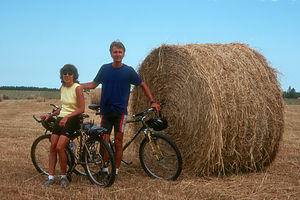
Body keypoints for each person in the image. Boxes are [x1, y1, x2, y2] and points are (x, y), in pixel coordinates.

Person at [81, 41, 161, 176]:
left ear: (123, 54)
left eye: (119, 52)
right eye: (115, 52)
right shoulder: (105, 69)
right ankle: (104, 169)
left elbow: (142, 85)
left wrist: (152, 101)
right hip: (106, 112)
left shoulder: (128, 71)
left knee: (118, 142)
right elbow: (94, 84)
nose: (117, 54)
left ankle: (116, 171)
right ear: (111, 53)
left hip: (120, 113)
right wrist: (77, 85)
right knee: (104, 141)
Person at [41, 64, 85, 187]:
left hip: (73, 119)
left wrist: (67, 117)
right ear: (62, 75)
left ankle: (64, 177)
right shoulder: (62, 87)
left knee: (60, 147)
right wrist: (51, 114)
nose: (67, 75)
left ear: (74, 75)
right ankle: (50, 177)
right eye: (65, 73)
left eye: (70, 73)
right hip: (61, 119)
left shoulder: (78, 88)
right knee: (53, 146)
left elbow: (81, 108)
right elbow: (63, 107)